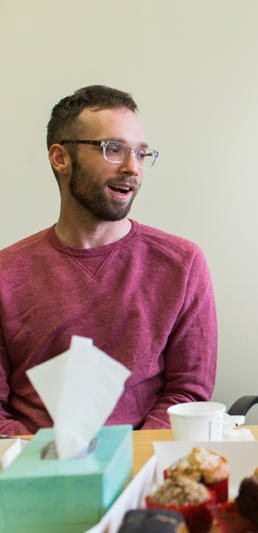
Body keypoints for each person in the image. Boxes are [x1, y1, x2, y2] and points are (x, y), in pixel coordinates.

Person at [0, 85, 217, 435]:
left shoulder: (182, 264)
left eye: (141, 153)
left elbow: (187, 392)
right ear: (60, 158)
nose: (133, 168)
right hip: (33, 469)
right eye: (113, 149)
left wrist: (129, 461)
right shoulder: (6, 274)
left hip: (144, 464)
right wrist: (41, 464)